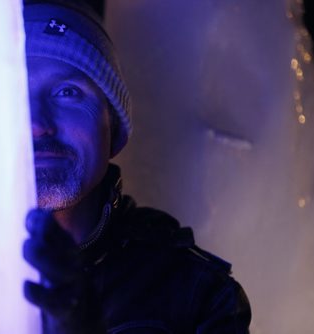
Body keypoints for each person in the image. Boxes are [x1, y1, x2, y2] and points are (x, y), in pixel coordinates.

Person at [22, 1, 252, 333]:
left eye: (67, 92)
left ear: (112, 127)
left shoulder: (194, 293)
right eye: (15, 95)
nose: (36, 124)